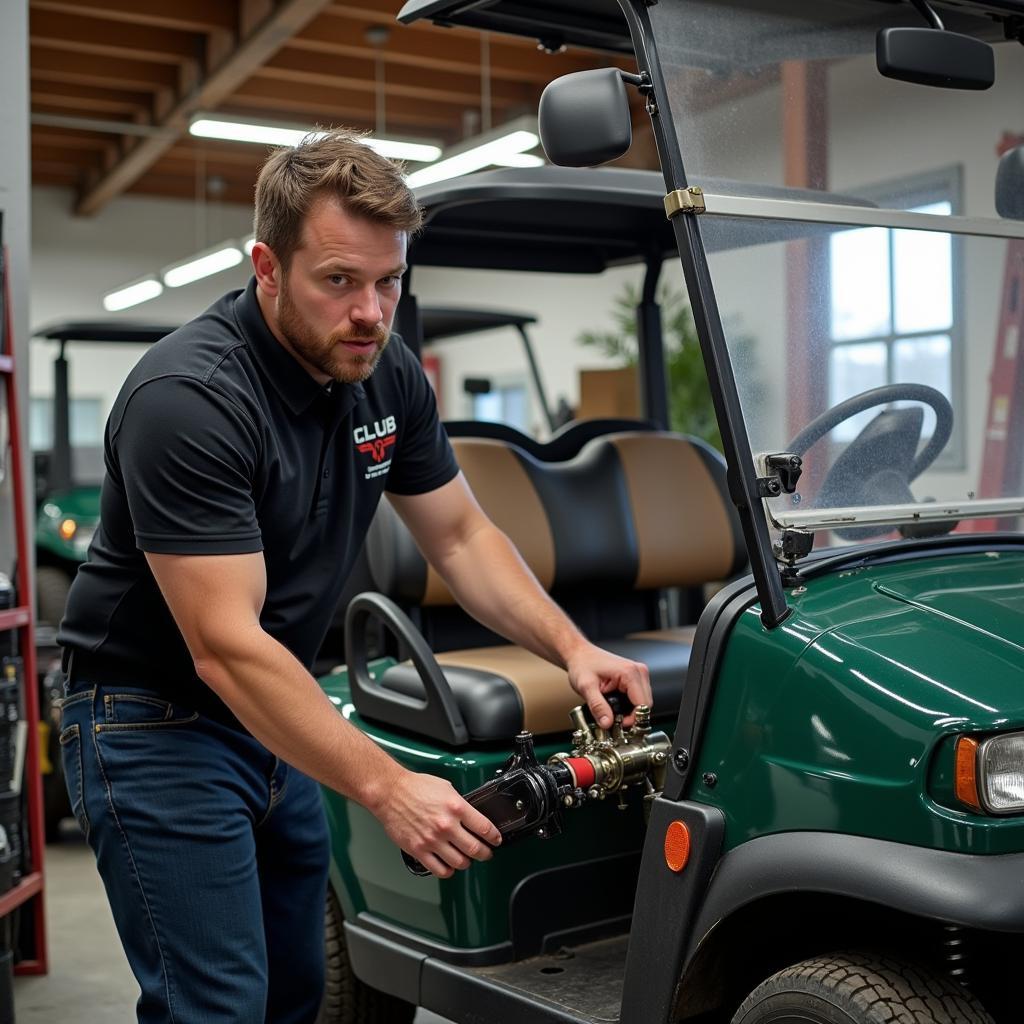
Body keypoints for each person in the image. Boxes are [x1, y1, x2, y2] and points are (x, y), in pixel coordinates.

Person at [57, 130, 652, 1024]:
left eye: (389, 281)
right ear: (267, 265)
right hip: (154, 723)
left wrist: (572, 647)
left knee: (302, 995)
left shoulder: (385, 374)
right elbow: (223, 645)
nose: (371, 311)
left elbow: (459, 537)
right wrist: (384, 785)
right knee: (216, 1007)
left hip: (273, 710)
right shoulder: (188, 400)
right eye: (339, 281)